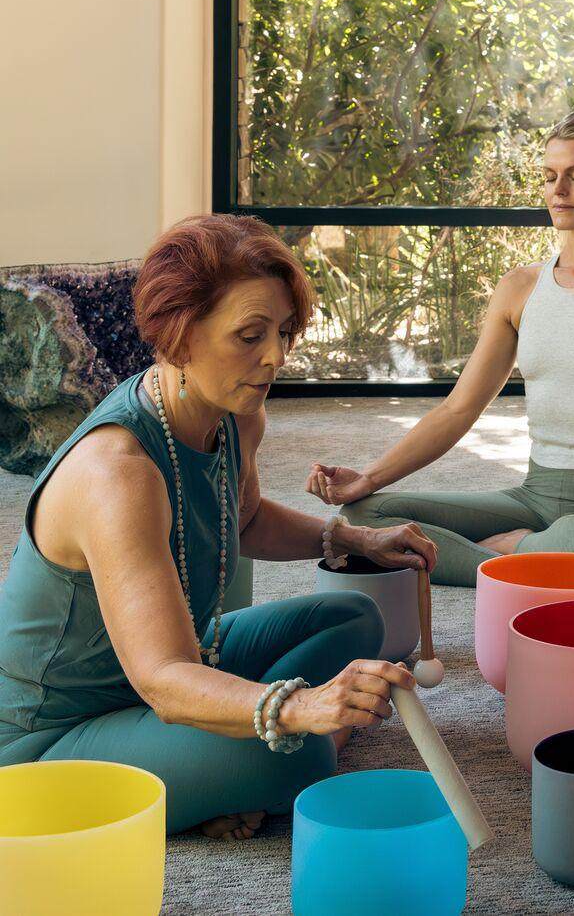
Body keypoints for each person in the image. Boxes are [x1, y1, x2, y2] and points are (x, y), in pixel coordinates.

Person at [0, 215, 434, 839]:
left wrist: (356, 540)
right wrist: (302, 707)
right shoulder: (118, 472)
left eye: (283, 332)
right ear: (179, 337)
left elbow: (246, 519)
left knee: (357, 620)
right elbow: (164, 680)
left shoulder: (235, 413)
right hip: (49, 740)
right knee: (299, 751)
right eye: (250, 335)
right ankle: (221, 770)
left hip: (182, 656)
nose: (276, 357)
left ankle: (211, 765)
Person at [312, 112, 574, 586]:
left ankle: (506, 553)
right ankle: (526, 559)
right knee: (363, 512)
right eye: (549, 177)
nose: (558, 191)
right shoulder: (519, 288)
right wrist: (368, 478)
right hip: (534, 494)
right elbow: (458, 408)